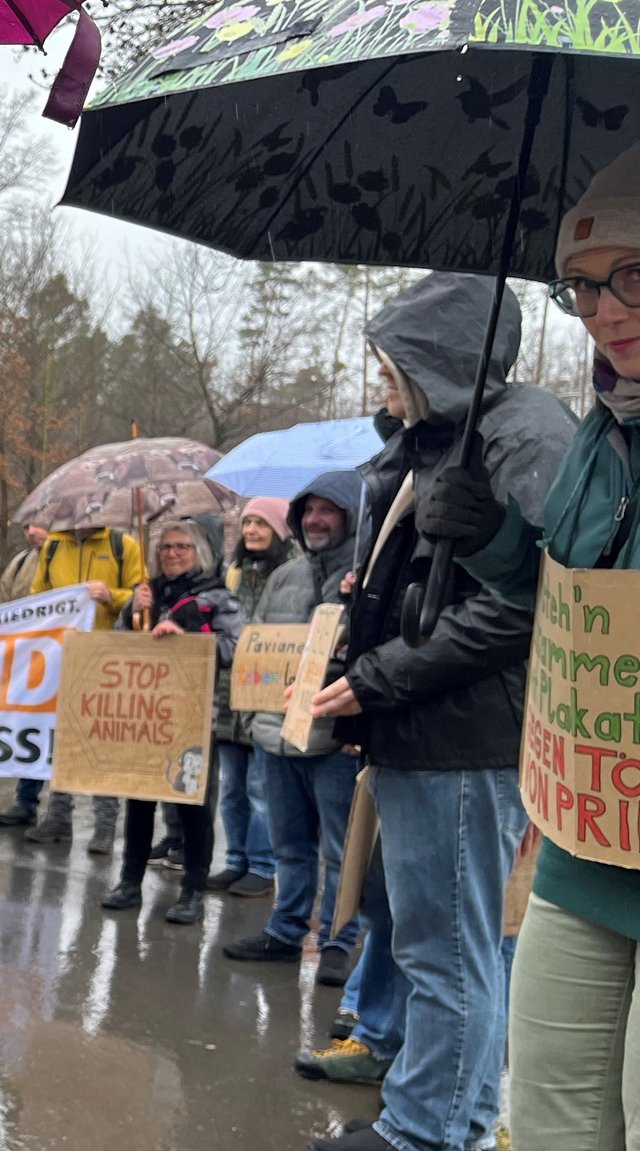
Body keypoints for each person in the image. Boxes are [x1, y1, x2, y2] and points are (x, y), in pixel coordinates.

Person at [303, 272, 574, 1151]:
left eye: (394, 362)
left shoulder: (514, 430)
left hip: (462, 736)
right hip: (426, 731)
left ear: (439, 361)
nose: (383, 379)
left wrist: (379, 676)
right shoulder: (440, 441)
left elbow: (523, 602)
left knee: (450, 953)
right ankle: (428, 1114)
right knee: (432, 945)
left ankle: (430, 1130)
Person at [420, 145, 640, 1151]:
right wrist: (492, 542)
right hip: (583, 841)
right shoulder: (600, 430)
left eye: (632, 277)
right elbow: (565, 602)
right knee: (548, 1119)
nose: (603, 311)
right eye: (582, 287)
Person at [224, 475, 367, 986]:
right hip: (275, 736)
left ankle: (336, 941)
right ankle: (285, 932)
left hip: (332, 740)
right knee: (289, 846)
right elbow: (255, 641)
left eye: (329, 510)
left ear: (351, 515)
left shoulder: (368, 574)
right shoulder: (286, 575)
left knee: (340, 850)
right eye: (309, 510)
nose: (316, 520)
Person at [99, 518, 245, 925]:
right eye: (166, 547)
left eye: (181, 547)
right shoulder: (148, 594)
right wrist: (133, 613)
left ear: (199, 552)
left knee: (192, 805)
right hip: (146, 715)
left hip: (195, 717)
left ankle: (193, 891)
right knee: (140, 800)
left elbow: (235, 649)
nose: (172, 554)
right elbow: (116, 645)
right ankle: (129, 882)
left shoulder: (217, 598)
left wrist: (186, 634)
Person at [0, 520, 144, 854]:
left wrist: (112, 596)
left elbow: (142, 598)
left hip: (108, 658)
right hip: (61, 657)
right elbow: (38, 595)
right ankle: (59, 815)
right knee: (61, 737)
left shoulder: (124, 546)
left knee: (101, 739)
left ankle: (105, 823)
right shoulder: (53, 547)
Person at [210, 498, 290, 899]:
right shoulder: (232, 574)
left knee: (262, 789)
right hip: (229, 697)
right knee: (233, 788)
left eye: (261, 523)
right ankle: (236, 859)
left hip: (268, 694)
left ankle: (263, 864)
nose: (252, 531)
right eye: (247, 523)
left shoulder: (294, 574)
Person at [0, 522, 47, 605]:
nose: (31, 532)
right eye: (26, 527)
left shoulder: (74, 560)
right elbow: (3, 608)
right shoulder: (19, 562)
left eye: (38, 524)